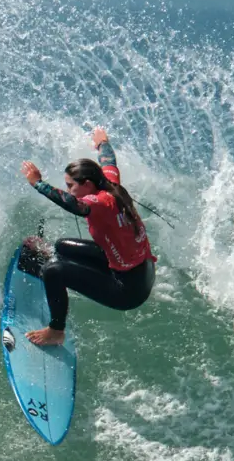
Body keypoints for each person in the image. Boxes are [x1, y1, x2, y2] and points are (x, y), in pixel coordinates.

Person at [19, 128, 156, 347]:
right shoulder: (109, 183)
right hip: (139, 267)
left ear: (88, 185)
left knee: (53, 270)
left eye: (71, 186)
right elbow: (109, 161)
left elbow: (72, 204)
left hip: (128, 290)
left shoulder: (99, 203)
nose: (69, 190)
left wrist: (38, 183)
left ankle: (56, 332)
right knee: (62, 246)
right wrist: (103, 143)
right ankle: (51, 265)